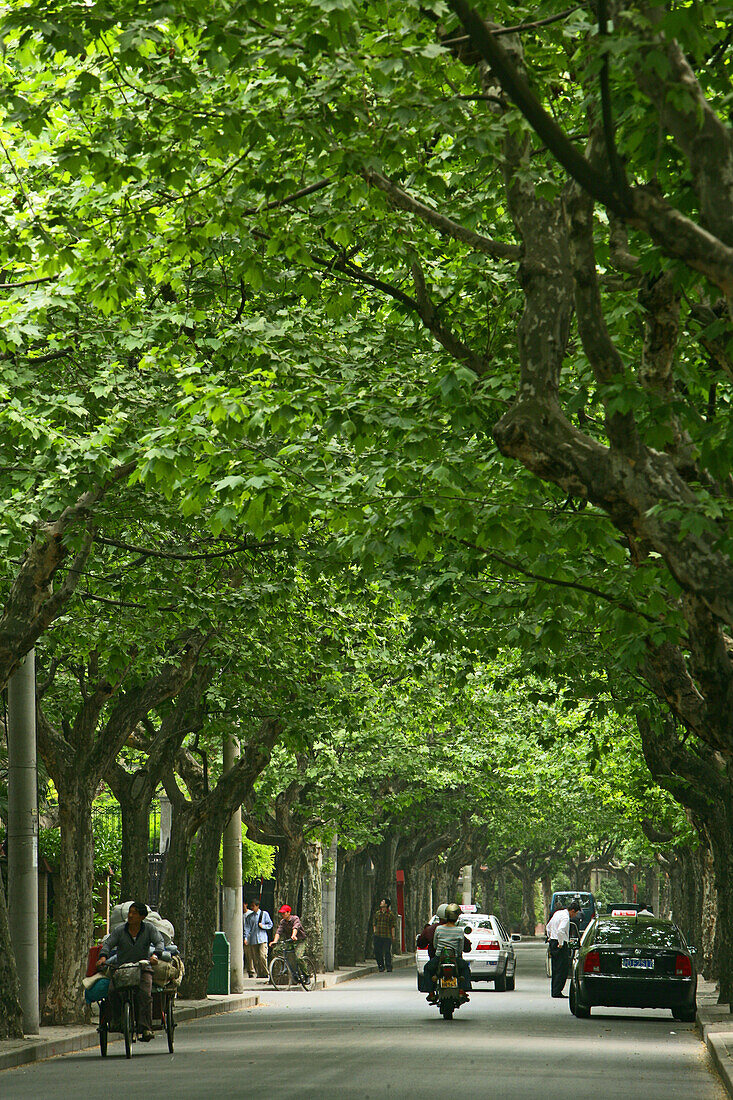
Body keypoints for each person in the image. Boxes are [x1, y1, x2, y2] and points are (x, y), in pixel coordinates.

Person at [97, 900, 164, 1041]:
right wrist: (103, 957)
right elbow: (108, 944)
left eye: (135, 913)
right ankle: (117, 1020)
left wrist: (155, 955)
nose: (131, 915)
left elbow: (159, 942)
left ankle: (145, 1028)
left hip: (143, 967)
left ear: (142, 917)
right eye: (130, 912)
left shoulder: (149, 929)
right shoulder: (120, 930)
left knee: (145, 994)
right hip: (122, 968)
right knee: (112, 992)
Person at [423, 902, 472, 1003]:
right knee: (465, 968)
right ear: (456, 918)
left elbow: (435, 945)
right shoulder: (459, 931)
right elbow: (460, 948)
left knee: (427, 968)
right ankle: (463, 990)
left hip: (439, 958)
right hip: (455, 959)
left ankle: (431, 993)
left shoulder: (439, 929)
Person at [546, 897, 582, 998]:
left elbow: (548, 926)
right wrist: (561, 943)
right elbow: (561, 931)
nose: (574, 916)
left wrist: (549, 937)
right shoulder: (566, 918)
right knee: (562, 969)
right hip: (559, 944)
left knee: (555, 967)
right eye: (575, 914)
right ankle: (558, 991)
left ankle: (554, 990)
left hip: (553, 942)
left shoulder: (558, 913)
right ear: (573, 911)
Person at [272, 904, 307, 968]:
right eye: (281, 913)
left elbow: (295, 927)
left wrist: (293, 935)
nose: (282, 915)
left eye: (284, 913)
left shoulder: (295, 918)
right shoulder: (283, 922)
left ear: (288, 912)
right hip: (290, 941)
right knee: (278, 951)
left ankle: (306, 973)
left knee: (298, 958)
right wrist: (275, 941)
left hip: (300, 941)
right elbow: (279, 931)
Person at [244, 898, 273, 977]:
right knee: (255, 959)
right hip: (253, 939)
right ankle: (259, 974)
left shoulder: (264, 914)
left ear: (257, 906)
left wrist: (263, 926)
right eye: (251, 906)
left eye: (253, 906)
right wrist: (246, 937)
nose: (252, 908)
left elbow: (270, 924)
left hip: (262, 938)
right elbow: (247, 928)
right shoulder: (249, 917)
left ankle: (265, 973)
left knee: (262, 956)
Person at [372, 897, 397, 972]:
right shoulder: (377, 913)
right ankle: (381, 966)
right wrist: (375, 932)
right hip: (378, 935)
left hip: (387, 936)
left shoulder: (390, 914)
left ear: (386, 905)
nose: (381, 903)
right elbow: (374, 924)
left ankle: (388, 966)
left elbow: (392, 926)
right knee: (377, 951)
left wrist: (393, 936)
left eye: (382, 902)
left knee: (387, 952)